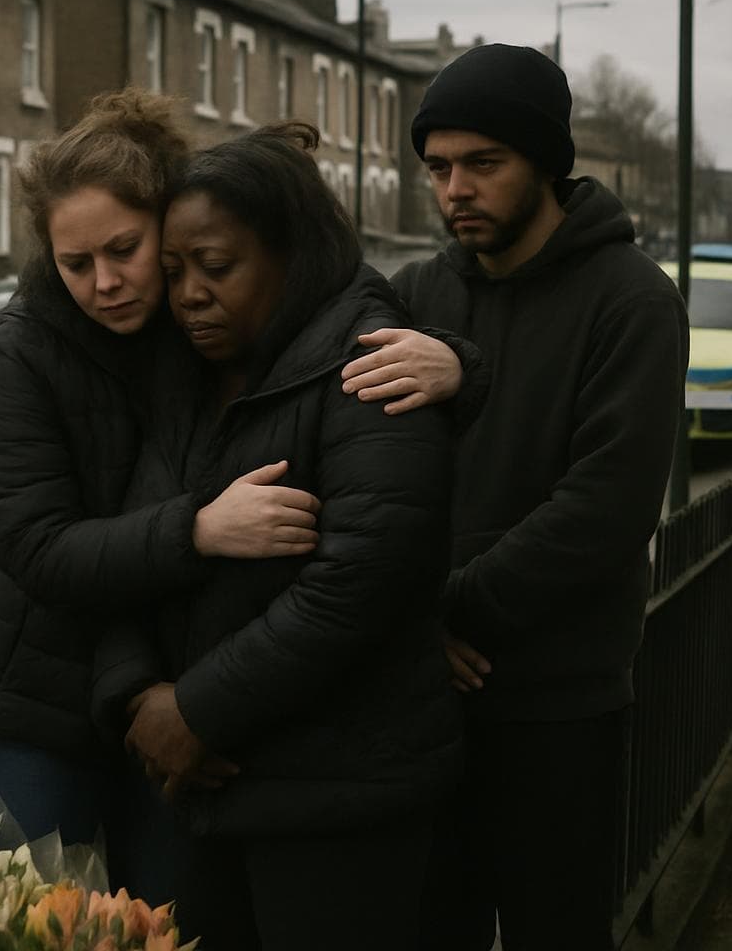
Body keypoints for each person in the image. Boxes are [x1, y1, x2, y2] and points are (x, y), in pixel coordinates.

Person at [94, 122, 463, 948]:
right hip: (208, 781)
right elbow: (130, 543)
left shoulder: (370, 356)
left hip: (339, 796)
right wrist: (136, 698)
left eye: (216, 268)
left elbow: (363, 579)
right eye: (177, 270)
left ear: (291, 252)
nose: (188, 294)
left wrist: (196, 708)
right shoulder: (192, 366)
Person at [0, 91, 327, 893]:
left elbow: (336, 319)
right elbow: (40, 549)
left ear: (168, 226)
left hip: (174, 700)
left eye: (125, 249)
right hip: (36, 707)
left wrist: (453, 361)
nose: (105, 282)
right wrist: (199, 530)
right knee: (40, 930)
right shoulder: (21, 353)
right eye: (75, 264)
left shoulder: (206, 319)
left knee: (170, 928)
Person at [355, 44, 688, 951]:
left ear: (546, 162)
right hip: (425, 696)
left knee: (556, 929)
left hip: (558, 699)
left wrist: (454, 609)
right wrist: (417, 626)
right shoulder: (415, 293)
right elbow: (360, 483)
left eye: (483, 164)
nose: (455, 188)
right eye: (439, 167)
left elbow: (606, 506)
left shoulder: (632, 302)